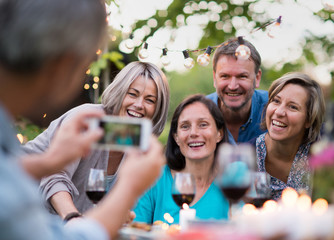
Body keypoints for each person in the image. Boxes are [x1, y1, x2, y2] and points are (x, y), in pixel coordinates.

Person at [0, 0, 165, 239]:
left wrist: (49, 161)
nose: (139, 105)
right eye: (84, 65)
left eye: (150, 100)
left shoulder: (131, 144)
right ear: (64, 64)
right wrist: (128, 189)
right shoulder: (88, 118)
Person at [22, 61, 170, 219]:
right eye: (132, 94)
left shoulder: (135, 145)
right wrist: (72, 218)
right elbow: (55, 175)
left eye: (150, 100)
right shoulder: (91, 121)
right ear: (120, 92)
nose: (139, 105)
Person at [207, 38, 334, 144]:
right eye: (225, 76)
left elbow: (326, 134)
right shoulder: (196, 111)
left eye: (242, 76)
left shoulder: (276, 108)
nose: (232, 86)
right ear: (214, 77)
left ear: (257, 77)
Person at [133, 94, 230, 224]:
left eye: (203, 124)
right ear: (176, 137)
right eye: (185, 126)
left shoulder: (232, 184)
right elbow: (134, 233)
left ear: (219, 133)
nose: (194, 133)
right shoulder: (153, 179)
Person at [253, 72, 326, 200]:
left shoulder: (320, 156)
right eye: (276, 101)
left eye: (293, 107)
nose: (279, 112)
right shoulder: (247, 155)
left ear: (309, 119)